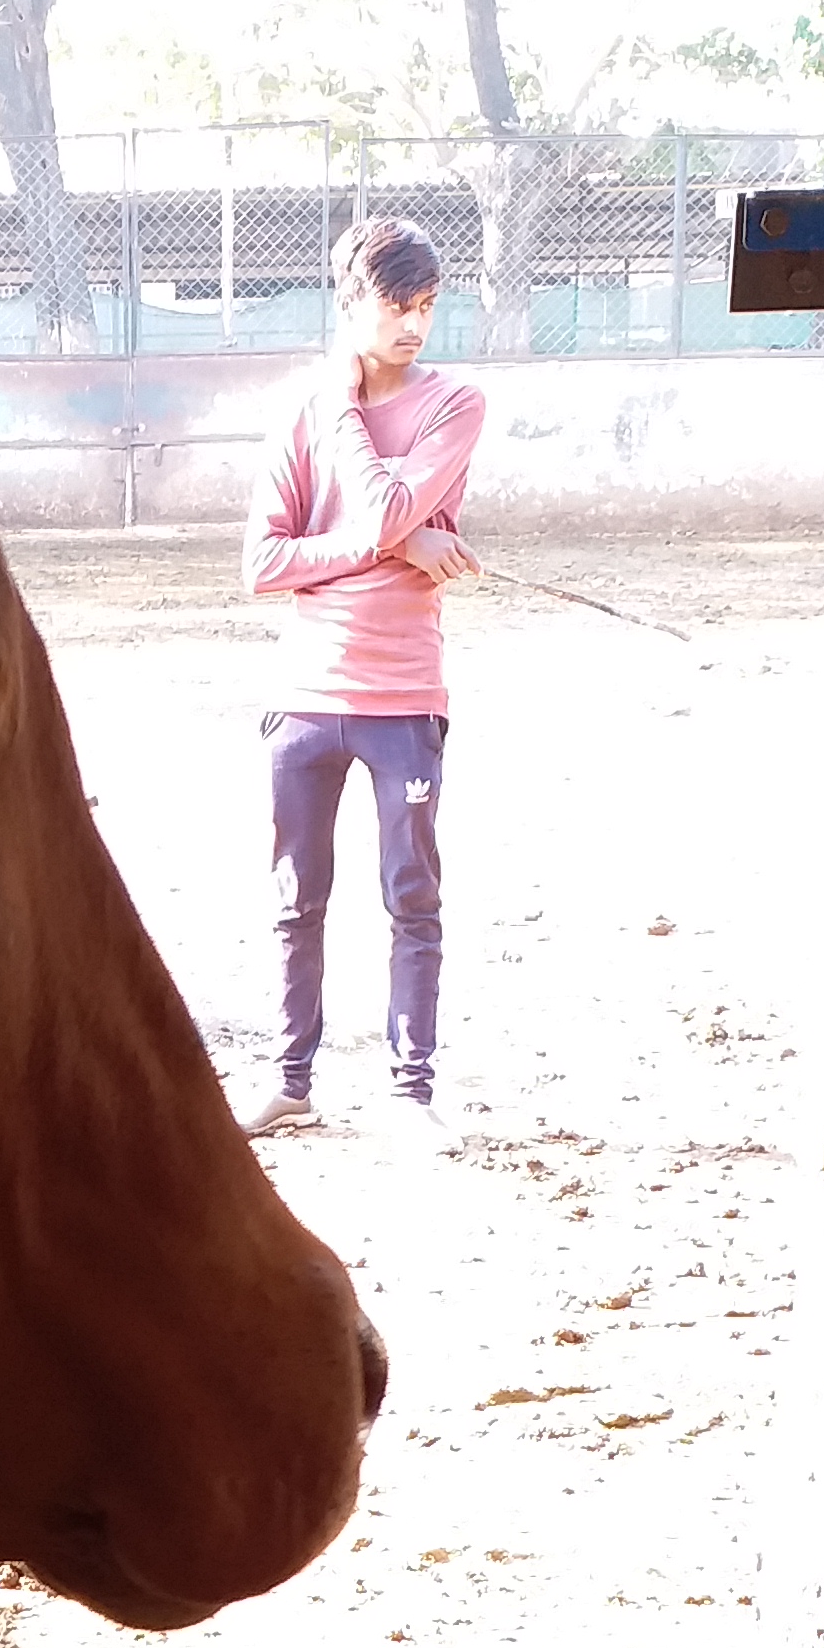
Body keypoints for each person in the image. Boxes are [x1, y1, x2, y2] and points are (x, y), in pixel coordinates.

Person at [238, 217, 487, 1135]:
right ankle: (289, 1082)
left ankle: (408, 1093)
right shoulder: (300, 412)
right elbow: (262, 565)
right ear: (351, 305)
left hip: (403, 699)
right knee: (294, 900)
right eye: (395, 305)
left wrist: (345, 409)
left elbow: (383, 501)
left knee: (410, 896)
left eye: (426, 305)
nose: (413, 325)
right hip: (302, 699)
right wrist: (395, 548)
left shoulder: (453, 404)